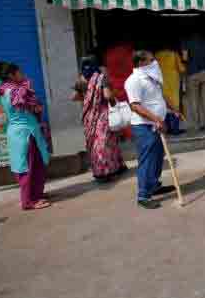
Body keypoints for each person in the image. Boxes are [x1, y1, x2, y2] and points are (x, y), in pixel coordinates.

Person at [125, 51, 180, 209]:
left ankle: (154, 185)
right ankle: (143, 195)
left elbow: (160, 96)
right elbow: (135, 106)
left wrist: (173, 109)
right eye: (151, 59)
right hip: (144, 126)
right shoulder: (133, 81)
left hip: (156, 124)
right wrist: (156, 119)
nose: (155, 62)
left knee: (157, 158)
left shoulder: (152, 77)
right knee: (147, 160)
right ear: (142, 62)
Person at [0, 62, 51, 210]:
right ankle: (28, 201)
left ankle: (34, 196)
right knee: (29, 167)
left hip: (20, 132)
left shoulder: (5, 90)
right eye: (19, 72)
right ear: (11, 75)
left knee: (31, 165)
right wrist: (35, 103)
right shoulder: (16, 91)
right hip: (25, 133)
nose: (22, 74)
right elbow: (33, 106)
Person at [78, 57, 126, 183]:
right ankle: (105, 171)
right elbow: (107, 95)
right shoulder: (100, 78)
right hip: (102, 115)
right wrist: (114, 103)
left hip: (89, 117)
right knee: (105, 143)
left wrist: (88, 98)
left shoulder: (82, 79)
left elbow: (74, 97)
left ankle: (108, 169)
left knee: (95, 143)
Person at [182, 33, 205, 131]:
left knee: (194, 100)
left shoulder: (186, 42)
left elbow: (185, 58)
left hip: (192, 73)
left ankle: (197, 125)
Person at [154, 46, 185, 116]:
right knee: (174, 102)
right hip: (173, 80)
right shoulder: (174, 54)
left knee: (164, 100)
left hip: (161, 80)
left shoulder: (156, 55)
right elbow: (181, 69)